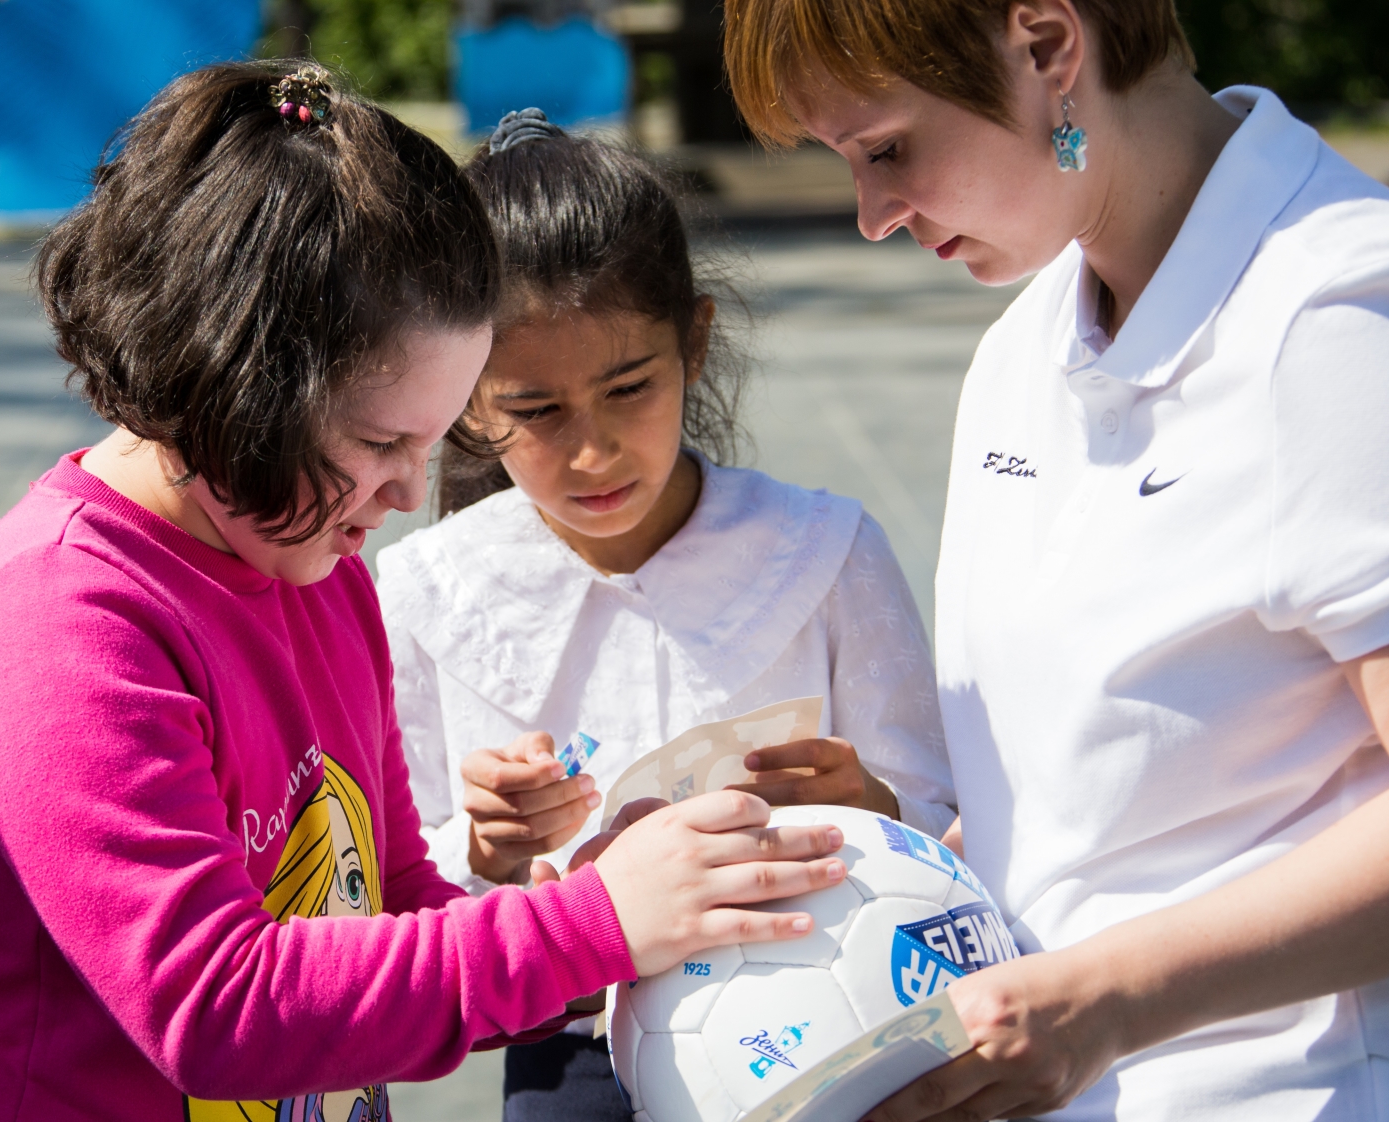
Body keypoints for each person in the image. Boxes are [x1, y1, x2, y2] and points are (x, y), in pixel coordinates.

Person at [0, 62, 851, 1122]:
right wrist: (592, 926)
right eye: (380, 441)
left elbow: (384, 897)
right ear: (234, 386)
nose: (408, 492)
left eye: (433, 441)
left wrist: (587, 907)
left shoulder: (316, 570)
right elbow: (214, 1006)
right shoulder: (59, 619)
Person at [721, 1, 1389, 1120]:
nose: (872, 214)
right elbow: (1096, 804)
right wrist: (879, 853)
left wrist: (1109, 998)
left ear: (1050, 47)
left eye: (887, 149)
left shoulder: (1342, 311)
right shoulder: (1027, 342)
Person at [374, 111, 956, 1121]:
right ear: (463, 399)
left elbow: (945, 811)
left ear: (693, 341)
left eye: (628, 387)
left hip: (827, 1013)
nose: (592, 453)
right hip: (571, 1049)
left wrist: (877, 805)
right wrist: (490, 846)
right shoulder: (426, 590)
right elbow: (393, 877)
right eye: (535, 410)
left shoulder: (824, 551)